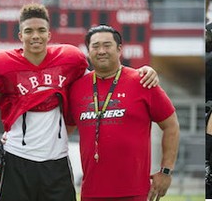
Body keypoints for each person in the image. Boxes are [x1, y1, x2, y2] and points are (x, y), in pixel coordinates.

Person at [0, 4, 158, 201]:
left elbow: (102, 80)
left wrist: (139, 73)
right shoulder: (3, 66)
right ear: (20, 36)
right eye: (29, 31)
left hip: (56, 162)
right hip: (16, 159)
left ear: (49, 34)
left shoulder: (69, 60)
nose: (35, 36)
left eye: (41, 30)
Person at [66, 25, 180, 201]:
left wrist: (166, 171)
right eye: (95, 46)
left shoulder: (143, 81)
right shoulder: (76, 88)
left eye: (107, 45)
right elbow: (64, 129)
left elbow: (171, 125)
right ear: (88, 51)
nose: (101, 51)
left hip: (135, 193)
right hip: (91, 193)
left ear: (119, 49)